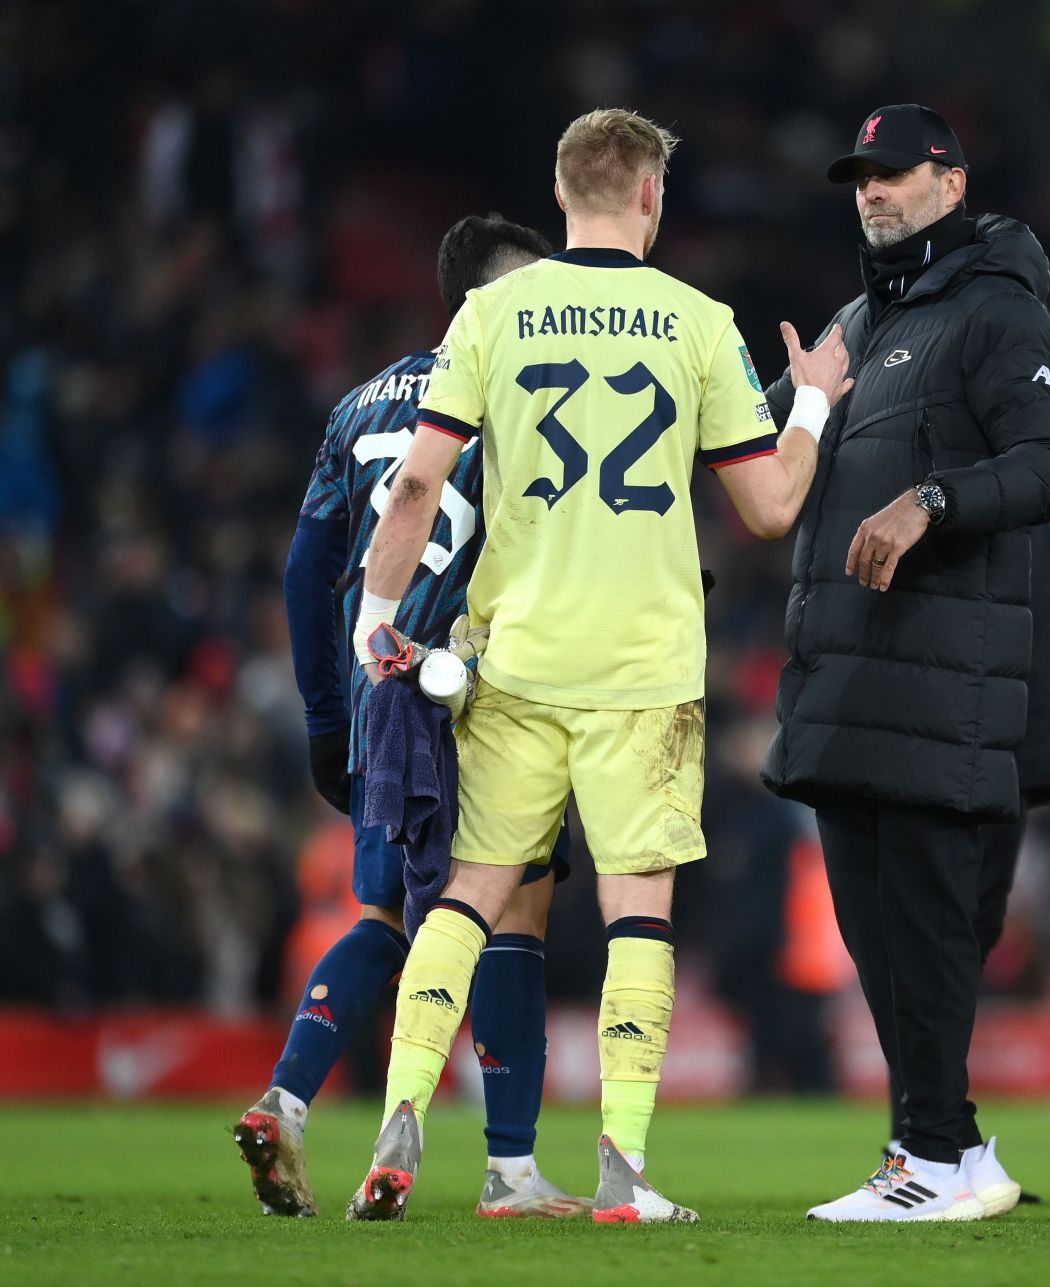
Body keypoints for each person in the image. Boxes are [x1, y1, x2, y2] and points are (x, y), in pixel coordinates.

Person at [340, 108, 851, 1224]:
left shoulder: (490, 312)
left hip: (515, 658)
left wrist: (378, 614)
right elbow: (770, 507)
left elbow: (420, 485)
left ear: (563, 190)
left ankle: (401, 1119)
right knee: (640, 919)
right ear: (650, 199)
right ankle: (623, 1167)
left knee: (467, 899)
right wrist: (811, 398)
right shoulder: (698, 321)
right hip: (643, 671)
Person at [758, 103, 1050, 1223]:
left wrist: (933, 500)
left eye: (895, 173)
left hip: (945, 681)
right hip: (850, 679)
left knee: (929, 938)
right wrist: (799, 400)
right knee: (879, 943)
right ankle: (947, 1151)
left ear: (952, 183)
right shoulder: (858, 321)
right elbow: (771, 476)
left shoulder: (996, 311)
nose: (874, 191)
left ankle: (934, 1157)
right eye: (861, 177)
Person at [235, 214, 586, 1220]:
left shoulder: (358, 404)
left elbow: (307, 570)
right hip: (482, 695)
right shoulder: (525, 401)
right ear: (497, 299)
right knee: (513, 908)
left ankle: (288, 1102)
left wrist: (321, 714)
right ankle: (510, 1169)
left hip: (374, 694)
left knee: (388, 915)